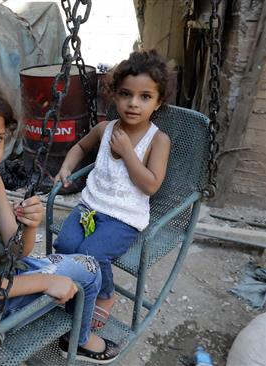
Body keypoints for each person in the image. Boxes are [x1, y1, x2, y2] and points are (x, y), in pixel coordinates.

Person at [0, 73, 120, 363]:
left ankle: (67, 314)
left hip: (6, 276)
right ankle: (81, 339)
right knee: (89, 270)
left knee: (81, 266)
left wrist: (29, 226)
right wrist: (44, 282)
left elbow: (18, 251)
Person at [53, 49, 172, 330]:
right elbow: (80, 147)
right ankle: (76, 286)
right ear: (115, 95)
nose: (133, 104)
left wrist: (129, 154)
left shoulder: (159, 140)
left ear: (158, 102)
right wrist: (66, 167)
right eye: (125, 94)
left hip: (123, 218)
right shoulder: (105, 128)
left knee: (93, 253)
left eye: (145, 97)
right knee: (66, 245)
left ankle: (105, 295)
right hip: (90, 207)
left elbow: (152, 185)